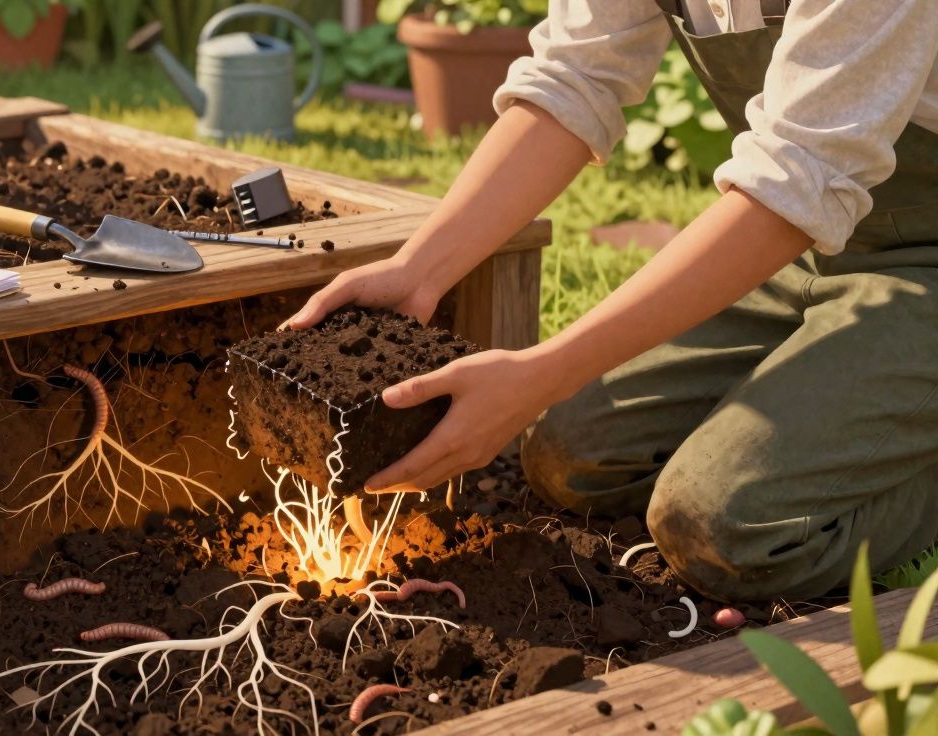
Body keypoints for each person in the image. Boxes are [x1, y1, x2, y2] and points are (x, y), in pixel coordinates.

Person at [282, 0, 938, 602]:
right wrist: (418, 269)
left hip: (881, 237)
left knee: (727, 527)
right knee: (572, 450)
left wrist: (537, 373)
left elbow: (801, 176)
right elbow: (575, 76)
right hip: (819, 238)